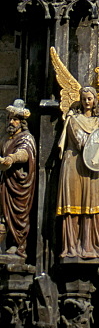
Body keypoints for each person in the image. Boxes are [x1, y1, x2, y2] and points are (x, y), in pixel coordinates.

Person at [56, 76, 99, 260]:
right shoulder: (74, 120)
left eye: (90, 98)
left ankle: (94, 246)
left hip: (91, 166)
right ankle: (72, 247)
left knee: (93, 204)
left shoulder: (98, 121)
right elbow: (82, 142)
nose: (87, 102)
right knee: (73, 205)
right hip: (74, 164)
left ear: (95, 100)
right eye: (84, 99)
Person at [0, 99, 36, 258]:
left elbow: (24, 153)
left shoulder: (26, 137)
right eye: (10, 118)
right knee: (2, 216)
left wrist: (11, 159)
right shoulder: (4, 138)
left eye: (15, 119)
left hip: (18, 184)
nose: (12, 122)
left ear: (22, 122)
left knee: (17, 216)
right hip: (4, 182)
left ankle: (17, 244)